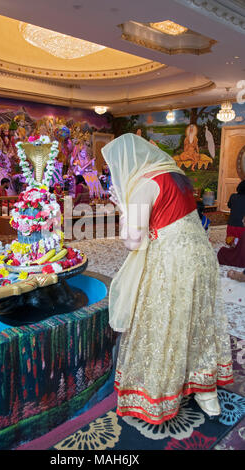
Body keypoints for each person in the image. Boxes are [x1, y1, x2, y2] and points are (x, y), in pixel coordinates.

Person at [101, 133, 233, 424]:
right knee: (197, 321)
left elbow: (132, 241)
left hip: (171, 263)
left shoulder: (143, 185)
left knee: (164, 322)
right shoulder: (175, 173)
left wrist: (124, 209)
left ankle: (160, 393)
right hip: (202, 257)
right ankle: (205, 392)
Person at [226, 180, 245, 245]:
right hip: (242, 227)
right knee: (241, 244)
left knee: (230, 242)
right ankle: (238, 242)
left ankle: (234, 241)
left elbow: (229, 206)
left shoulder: (233, 196)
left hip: (231, 225)